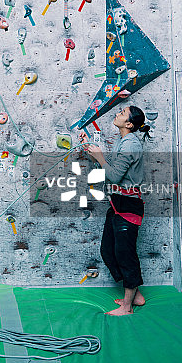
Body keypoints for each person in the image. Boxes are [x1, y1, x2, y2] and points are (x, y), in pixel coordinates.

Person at [79, 105, 150, 316]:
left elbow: (115, 177)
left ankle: (127, 307)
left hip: (128, 205)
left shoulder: (130, 144)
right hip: (117, 203)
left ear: (129, 124)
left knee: (125, 255)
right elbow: (111, 170)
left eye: (122, 113)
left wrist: (100, 157)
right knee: (108, 251)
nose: (117, 113)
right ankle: (135, 295)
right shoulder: (123, 140)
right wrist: (93, 153)